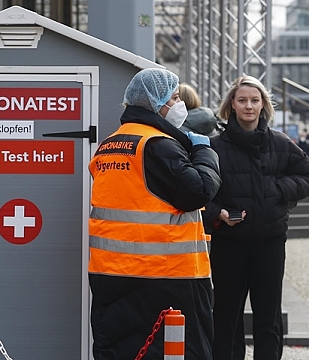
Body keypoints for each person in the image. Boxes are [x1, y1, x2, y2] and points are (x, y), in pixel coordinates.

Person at [88, 68, 222, 360]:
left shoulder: (110, 144)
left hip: (110, 273)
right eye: (173, 98)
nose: (179, 104)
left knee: (120, 350)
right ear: (155, 102)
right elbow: (198, 191)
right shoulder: (157, 145)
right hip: (166, 276)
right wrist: (205, 152)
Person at [202, 76, 309, 360]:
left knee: (269, 317)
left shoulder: (280, 143)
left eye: (254, 100)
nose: (249, 106)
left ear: (264, 104)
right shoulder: (214, 146)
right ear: (231, 104)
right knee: (227, 315)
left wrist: (277, 191)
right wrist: (218, 214)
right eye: (242, 100)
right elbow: (201, 191)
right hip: (229, 243)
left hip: (270, 243)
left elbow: (308, 176)